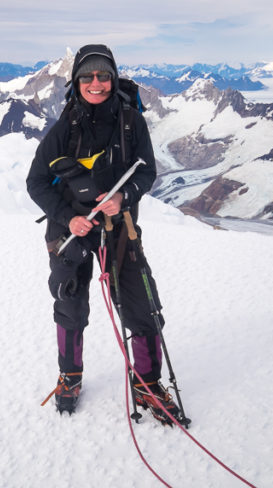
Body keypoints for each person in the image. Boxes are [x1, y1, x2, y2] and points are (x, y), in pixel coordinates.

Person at [26, 44, 181, 422]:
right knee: (70, 302)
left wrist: (123, 197)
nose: (96, 83)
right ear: (76, 81)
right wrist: (67, 218)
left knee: (140, 303)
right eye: (87, 76)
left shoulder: (131, 122)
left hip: (119, 229)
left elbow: (145, 172)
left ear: (112, 78)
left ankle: (147, 384)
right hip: (72, 230)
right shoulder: (65, 128)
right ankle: (70, 376)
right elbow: (36, 183)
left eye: (103, 76)